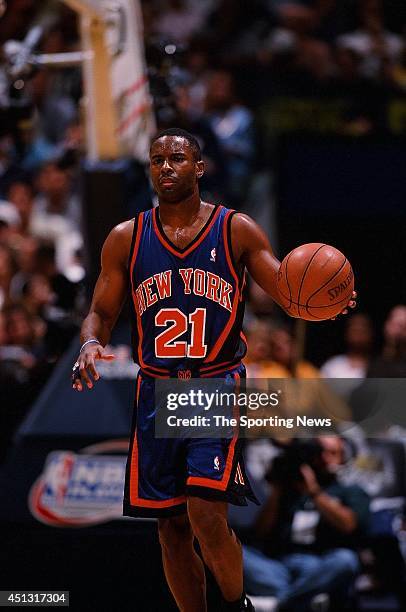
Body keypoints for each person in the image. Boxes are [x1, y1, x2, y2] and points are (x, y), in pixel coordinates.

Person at [71, 128, 355, 612]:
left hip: (215, 384)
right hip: (156, 389)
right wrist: (91, 343)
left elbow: (288, 291)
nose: (166, 167)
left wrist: (322, 302)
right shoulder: (126, 238)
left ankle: (236, 602)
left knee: (205, 513)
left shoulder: (235, 228)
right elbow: (101, 310)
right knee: (171, 529)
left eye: (177, 158)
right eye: (157, 159)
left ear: (199, 167)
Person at [244, 436, 370, 612]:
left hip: (319, 565)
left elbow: (348, 524)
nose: (325, 458)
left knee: (346, 560)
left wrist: (314, 492)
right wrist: (277, 490)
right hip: (280, 567)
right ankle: (305, 597)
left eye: (333, 453)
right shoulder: (290, 489)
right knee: (235, 552)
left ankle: (282, 604)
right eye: (320, 452)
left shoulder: (350, 491)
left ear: (343, 457)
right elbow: (260, 532)